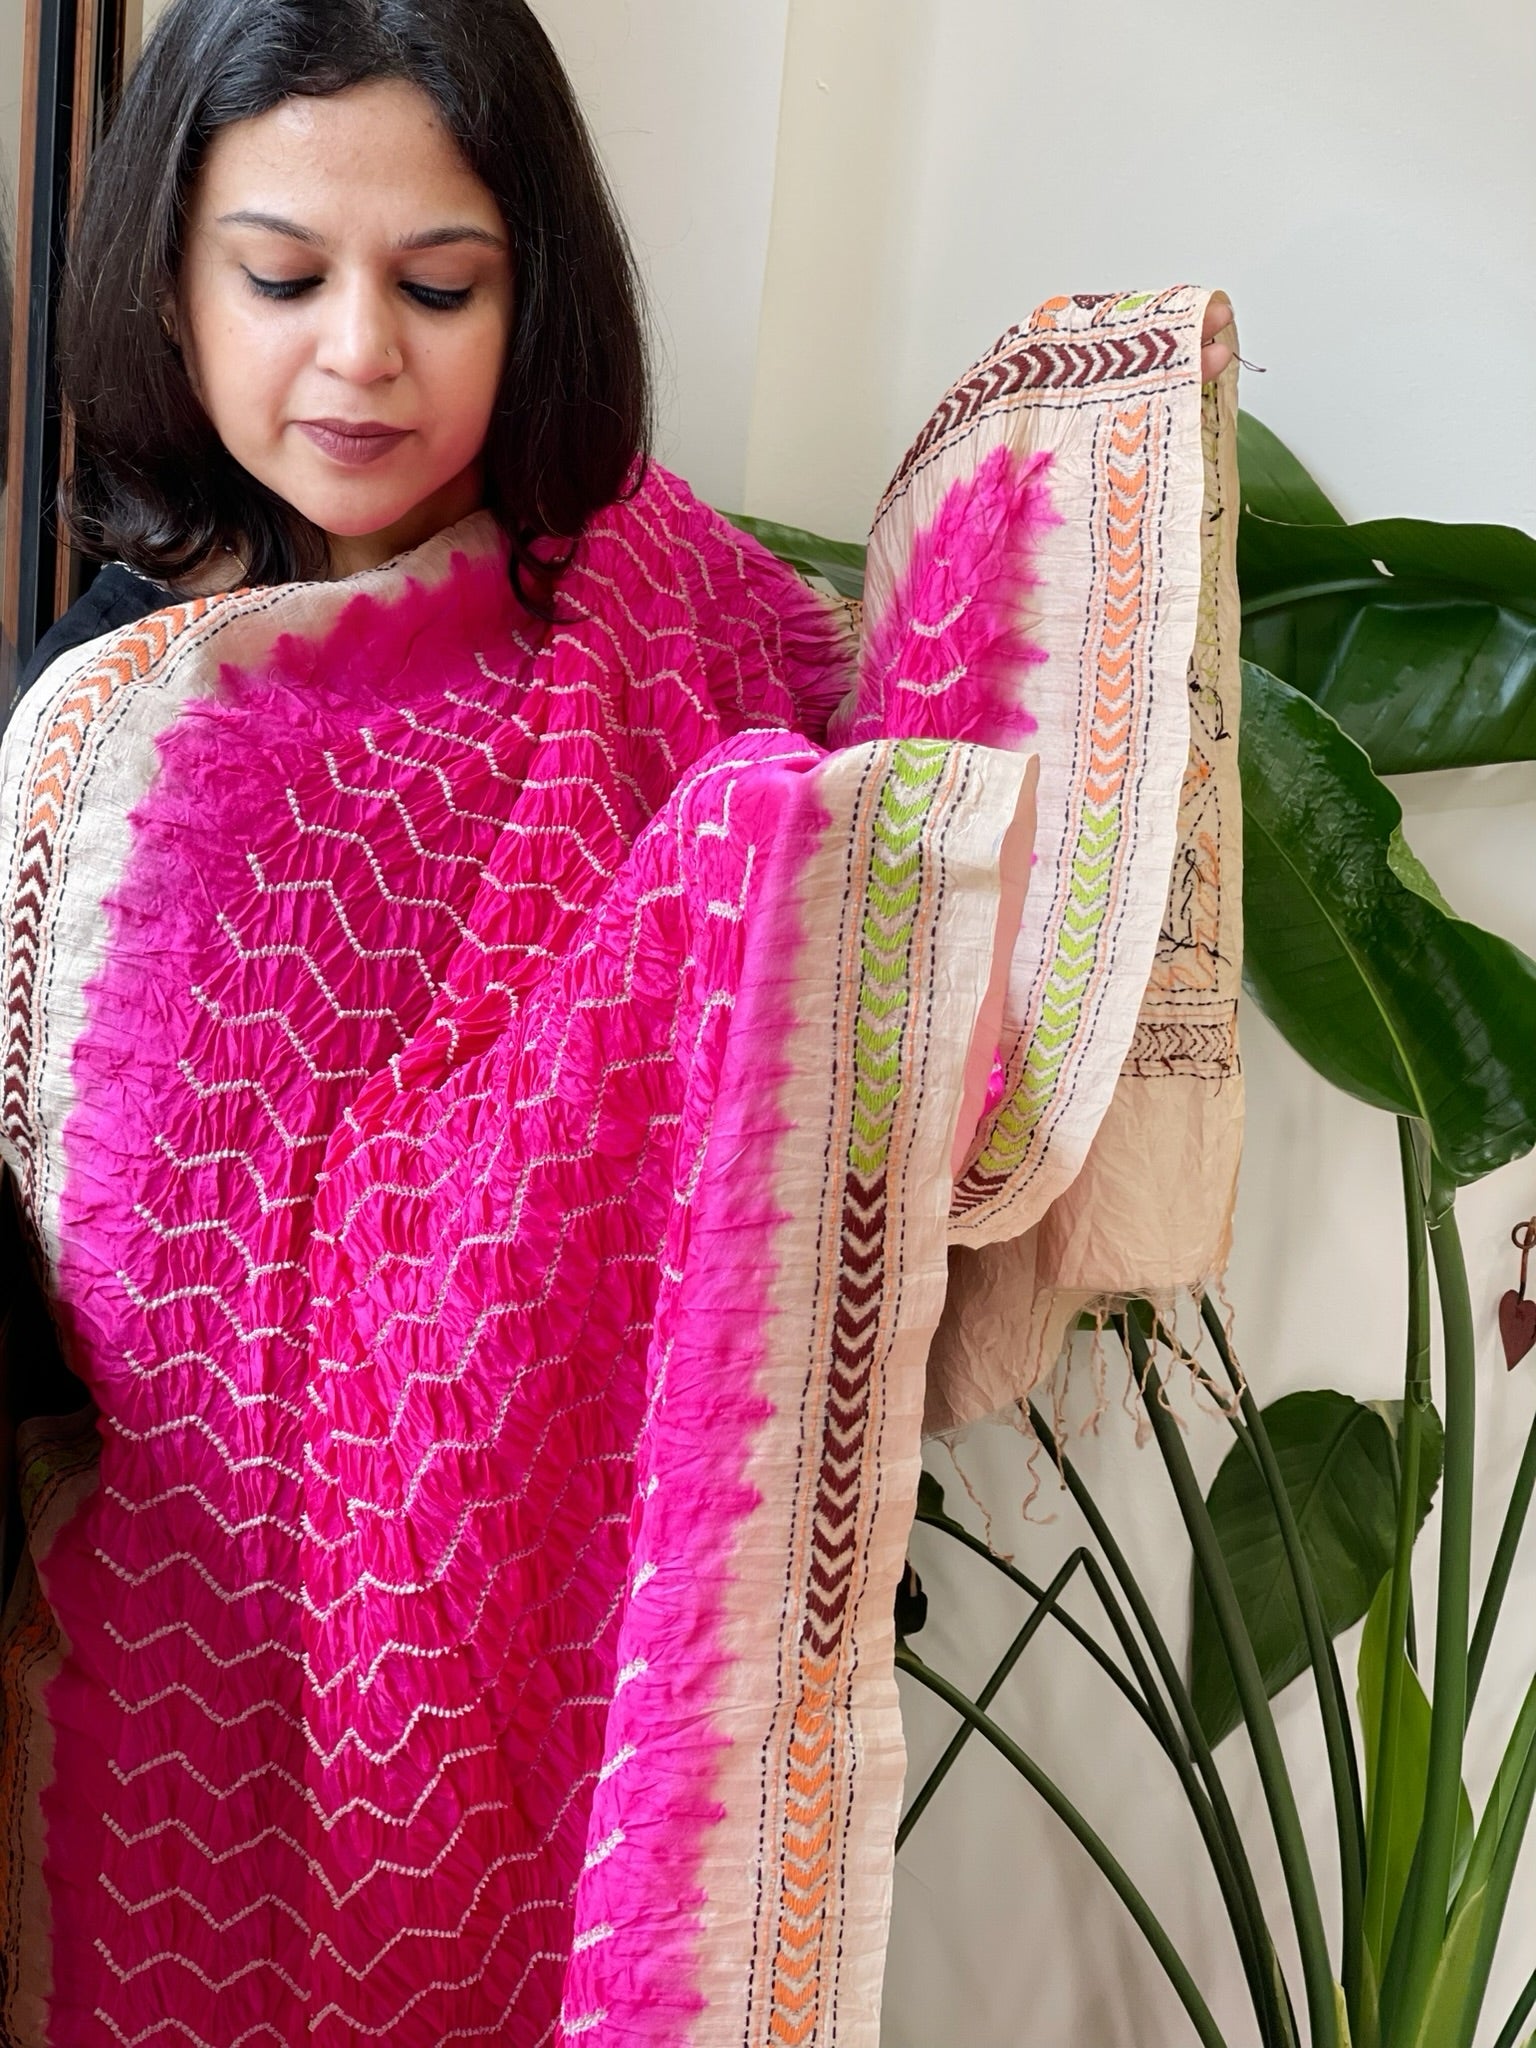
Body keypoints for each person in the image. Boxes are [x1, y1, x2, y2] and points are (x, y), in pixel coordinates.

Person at [0, 1, 1242, 2040]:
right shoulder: (119, 725)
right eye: (283, 274)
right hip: (204, 1644)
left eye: (441, 283)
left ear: (539, 288)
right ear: (168, 278)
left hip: (636, 1602)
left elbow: (876, 964)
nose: (358, 353)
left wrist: (811, 865)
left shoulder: (667, 605)